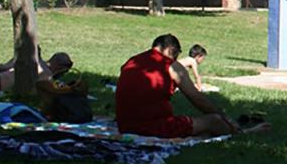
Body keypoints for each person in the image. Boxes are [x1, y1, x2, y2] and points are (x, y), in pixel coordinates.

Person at [115, 34, 269, 138]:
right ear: (171, 50)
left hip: (125, 126)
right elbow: (198, 99)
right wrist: (225, 117)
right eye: (176, 54)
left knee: (201, 126)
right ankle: (243, 133)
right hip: (152, 127)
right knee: (213, 121)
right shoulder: (171, 67)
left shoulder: (132, 61)